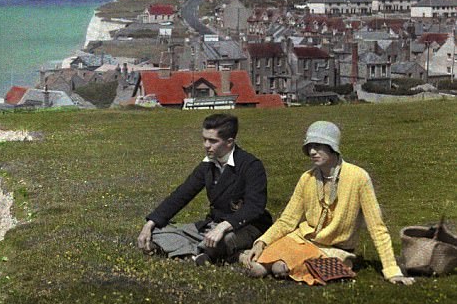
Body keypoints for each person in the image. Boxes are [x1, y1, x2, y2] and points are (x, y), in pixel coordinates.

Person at [242, 120, 414, 285]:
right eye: (309, 147)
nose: (312, 152)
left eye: (318, 146)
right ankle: (253, 256)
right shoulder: (307, 178)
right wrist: (262, 242)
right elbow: (287, 220)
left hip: (334, 250)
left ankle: (282, 263)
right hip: (302, 240)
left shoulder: (358, 177)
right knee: (256, 268)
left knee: (280, 268)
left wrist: (392, 270)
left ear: (332, 147)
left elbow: (377, 227)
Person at [136, 113, 273, 264]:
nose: (206, 145)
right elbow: (182, 194)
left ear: (229, 142)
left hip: (246, 226)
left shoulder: (251, 165)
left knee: (224, 239)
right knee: (157, 232)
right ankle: (205, 253)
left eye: (213, 141)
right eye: (204, 139)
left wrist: (223, 227)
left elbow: (255, 207)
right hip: (213, 227)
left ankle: (199, 252)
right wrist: (150, 223)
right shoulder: (208, 164)